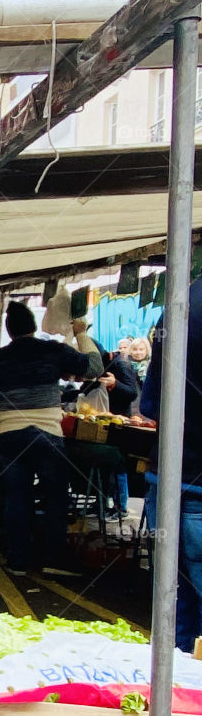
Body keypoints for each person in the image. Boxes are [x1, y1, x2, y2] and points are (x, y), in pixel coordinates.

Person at [0, 301, 101, 576]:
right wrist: (81, 333)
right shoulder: (52, 350)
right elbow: (94, 368)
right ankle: (53, 558)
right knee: (55, 497)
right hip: (47, 434)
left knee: (17, 496)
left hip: (10, 435)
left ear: (9, 330)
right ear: (33, 326)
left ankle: (17, 560)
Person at [139, 279, 202, 651]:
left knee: (172, 603)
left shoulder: (182, 301)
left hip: (170, 476)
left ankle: (176, 699)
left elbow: (151, 406)